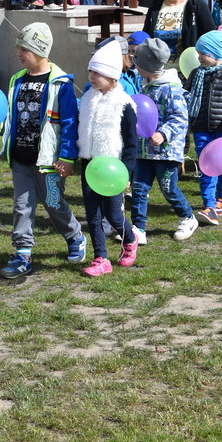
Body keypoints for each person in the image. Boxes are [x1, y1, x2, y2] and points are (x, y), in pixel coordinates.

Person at [0, 22, 84, 278]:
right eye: (18, 48)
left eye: (24, 49)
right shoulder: (17, 80)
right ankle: (22, 254)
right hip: (21, 160)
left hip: (49, 162)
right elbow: (14, 115)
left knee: (54, 203)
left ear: (40, 49)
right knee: (22, 206)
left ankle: (75, 236)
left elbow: (69, 124)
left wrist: (67, 158)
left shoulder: (61, 83)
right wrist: (2, 128)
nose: (18, 54)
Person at [77, 40, 139, 276]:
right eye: (90, 71)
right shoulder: (87, 99)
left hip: (113, 169)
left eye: (98, 73)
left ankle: (129, 238)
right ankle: (101, 258)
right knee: (92, 214)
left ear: (112, 76)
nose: (92, 77)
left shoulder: (124, 105)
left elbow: (131, 145)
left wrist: (127, 174)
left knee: (113, 214)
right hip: (90, 165)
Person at [131, 38, 199, 241]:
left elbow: (180, 118)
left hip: (166, 152)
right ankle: (138, 228)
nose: (136, 69)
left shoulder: (171, 89)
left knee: (168, 187)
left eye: (138, 65)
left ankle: (187, 217)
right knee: (139, 188)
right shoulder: (144, 87)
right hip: (143, 150)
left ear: (146, 66)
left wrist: (164, 133)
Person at [185, 31, 222, 226]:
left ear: (216, 53)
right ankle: (209, 205)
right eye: (199, 52)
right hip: (202, 128)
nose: (200, 57)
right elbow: (187, 99)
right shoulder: (196, 74)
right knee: (206, 167)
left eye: (204, 53)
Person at [142, 0, 214, 57]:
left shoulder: (196, 6)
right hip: (158, 68)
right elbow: (146, 36)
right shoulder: (154, 8)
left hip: (187, 67)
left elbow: (210, 36)